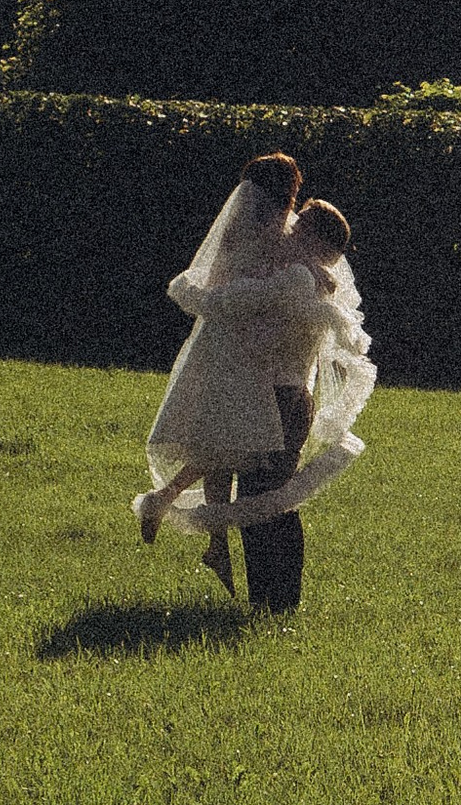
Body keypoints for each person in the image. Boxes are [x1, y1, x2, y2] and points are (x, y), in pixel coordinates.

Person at [134, 165, 373, 611]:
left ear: (320, 244)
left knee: (268, 502)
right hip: (273, 391)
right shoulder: (293, 267)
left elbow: (233, 301)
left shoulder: (299, 277)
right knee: (256, 493)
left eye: (301, 228)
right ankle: (265, 596)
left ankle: (275, 598)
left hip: (284, 398)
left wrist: (191, 290)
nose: (289, 232)